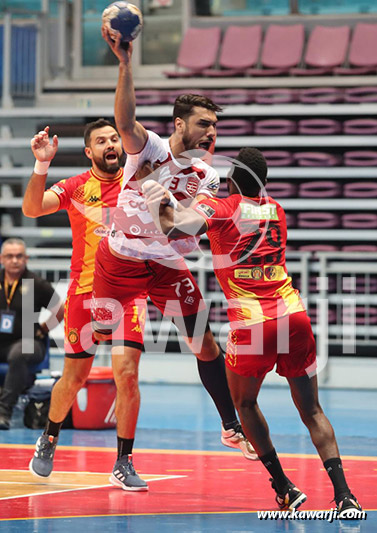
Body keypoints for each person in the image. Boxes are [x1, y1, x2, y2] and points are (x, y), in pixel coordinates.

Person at [142, 147, 362, 518]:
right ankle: (345, 495)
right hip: (293, 315)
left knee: (244, 404)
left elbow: (171, 226)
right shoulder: (276, 209)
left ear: (231, 181)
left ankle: (284, 487)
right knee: (311, 410)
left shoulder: (224, 208)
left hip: (253, 322)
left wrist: (153, 192)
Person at [90, 29, 257, 486]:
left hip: (165, 265)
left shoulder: (207, 175)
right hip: (119, 258)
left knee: (205, 343)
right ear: (180, 124)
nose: (211, 133)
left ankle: (230, 427)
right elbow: (125, 123)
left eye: (216, 127)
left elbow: (183, 228)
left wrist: (151, 194)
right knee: (93, 336)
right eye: (204, 124)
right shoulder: (151, 148)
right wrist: (125, 64)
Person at [23, 120, 149, 490]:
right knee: (74, 378)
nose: (111, 143)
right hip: (86, 294)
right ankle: (49, 437)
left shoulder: (138, 182)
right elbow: (32, 209)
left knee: (127, 375)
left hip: (129, 294)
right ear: (89, 152)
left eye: (114, 138)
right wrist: (42, 164)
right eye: (101, 141)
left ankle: (123, 461)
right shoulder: (77, 187)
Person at [0, 238, 64, 430]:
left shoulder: (36, 283)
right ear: (2, 259)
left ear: (26, 258)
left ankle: (4, 412)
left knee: (20, 352)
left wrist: (44, 329)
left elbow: (60, 310)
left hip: (28, 342)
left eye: (19, 256)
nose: (14, 260)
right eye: (10, 256)